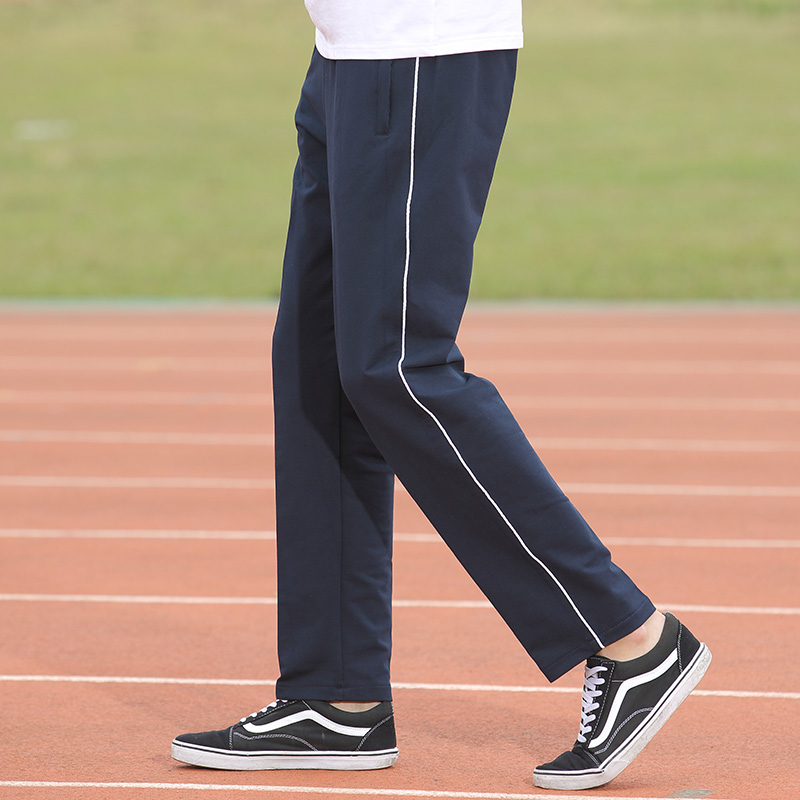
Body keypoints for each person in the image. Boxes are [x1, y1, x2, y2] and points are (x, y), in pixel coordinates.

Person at [172, 1, 711, 790]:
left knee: (397, 365)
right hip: (347, 54)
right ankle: (335, 693)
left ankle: (630, 636)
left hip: (419, 52)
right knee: (319, 368)